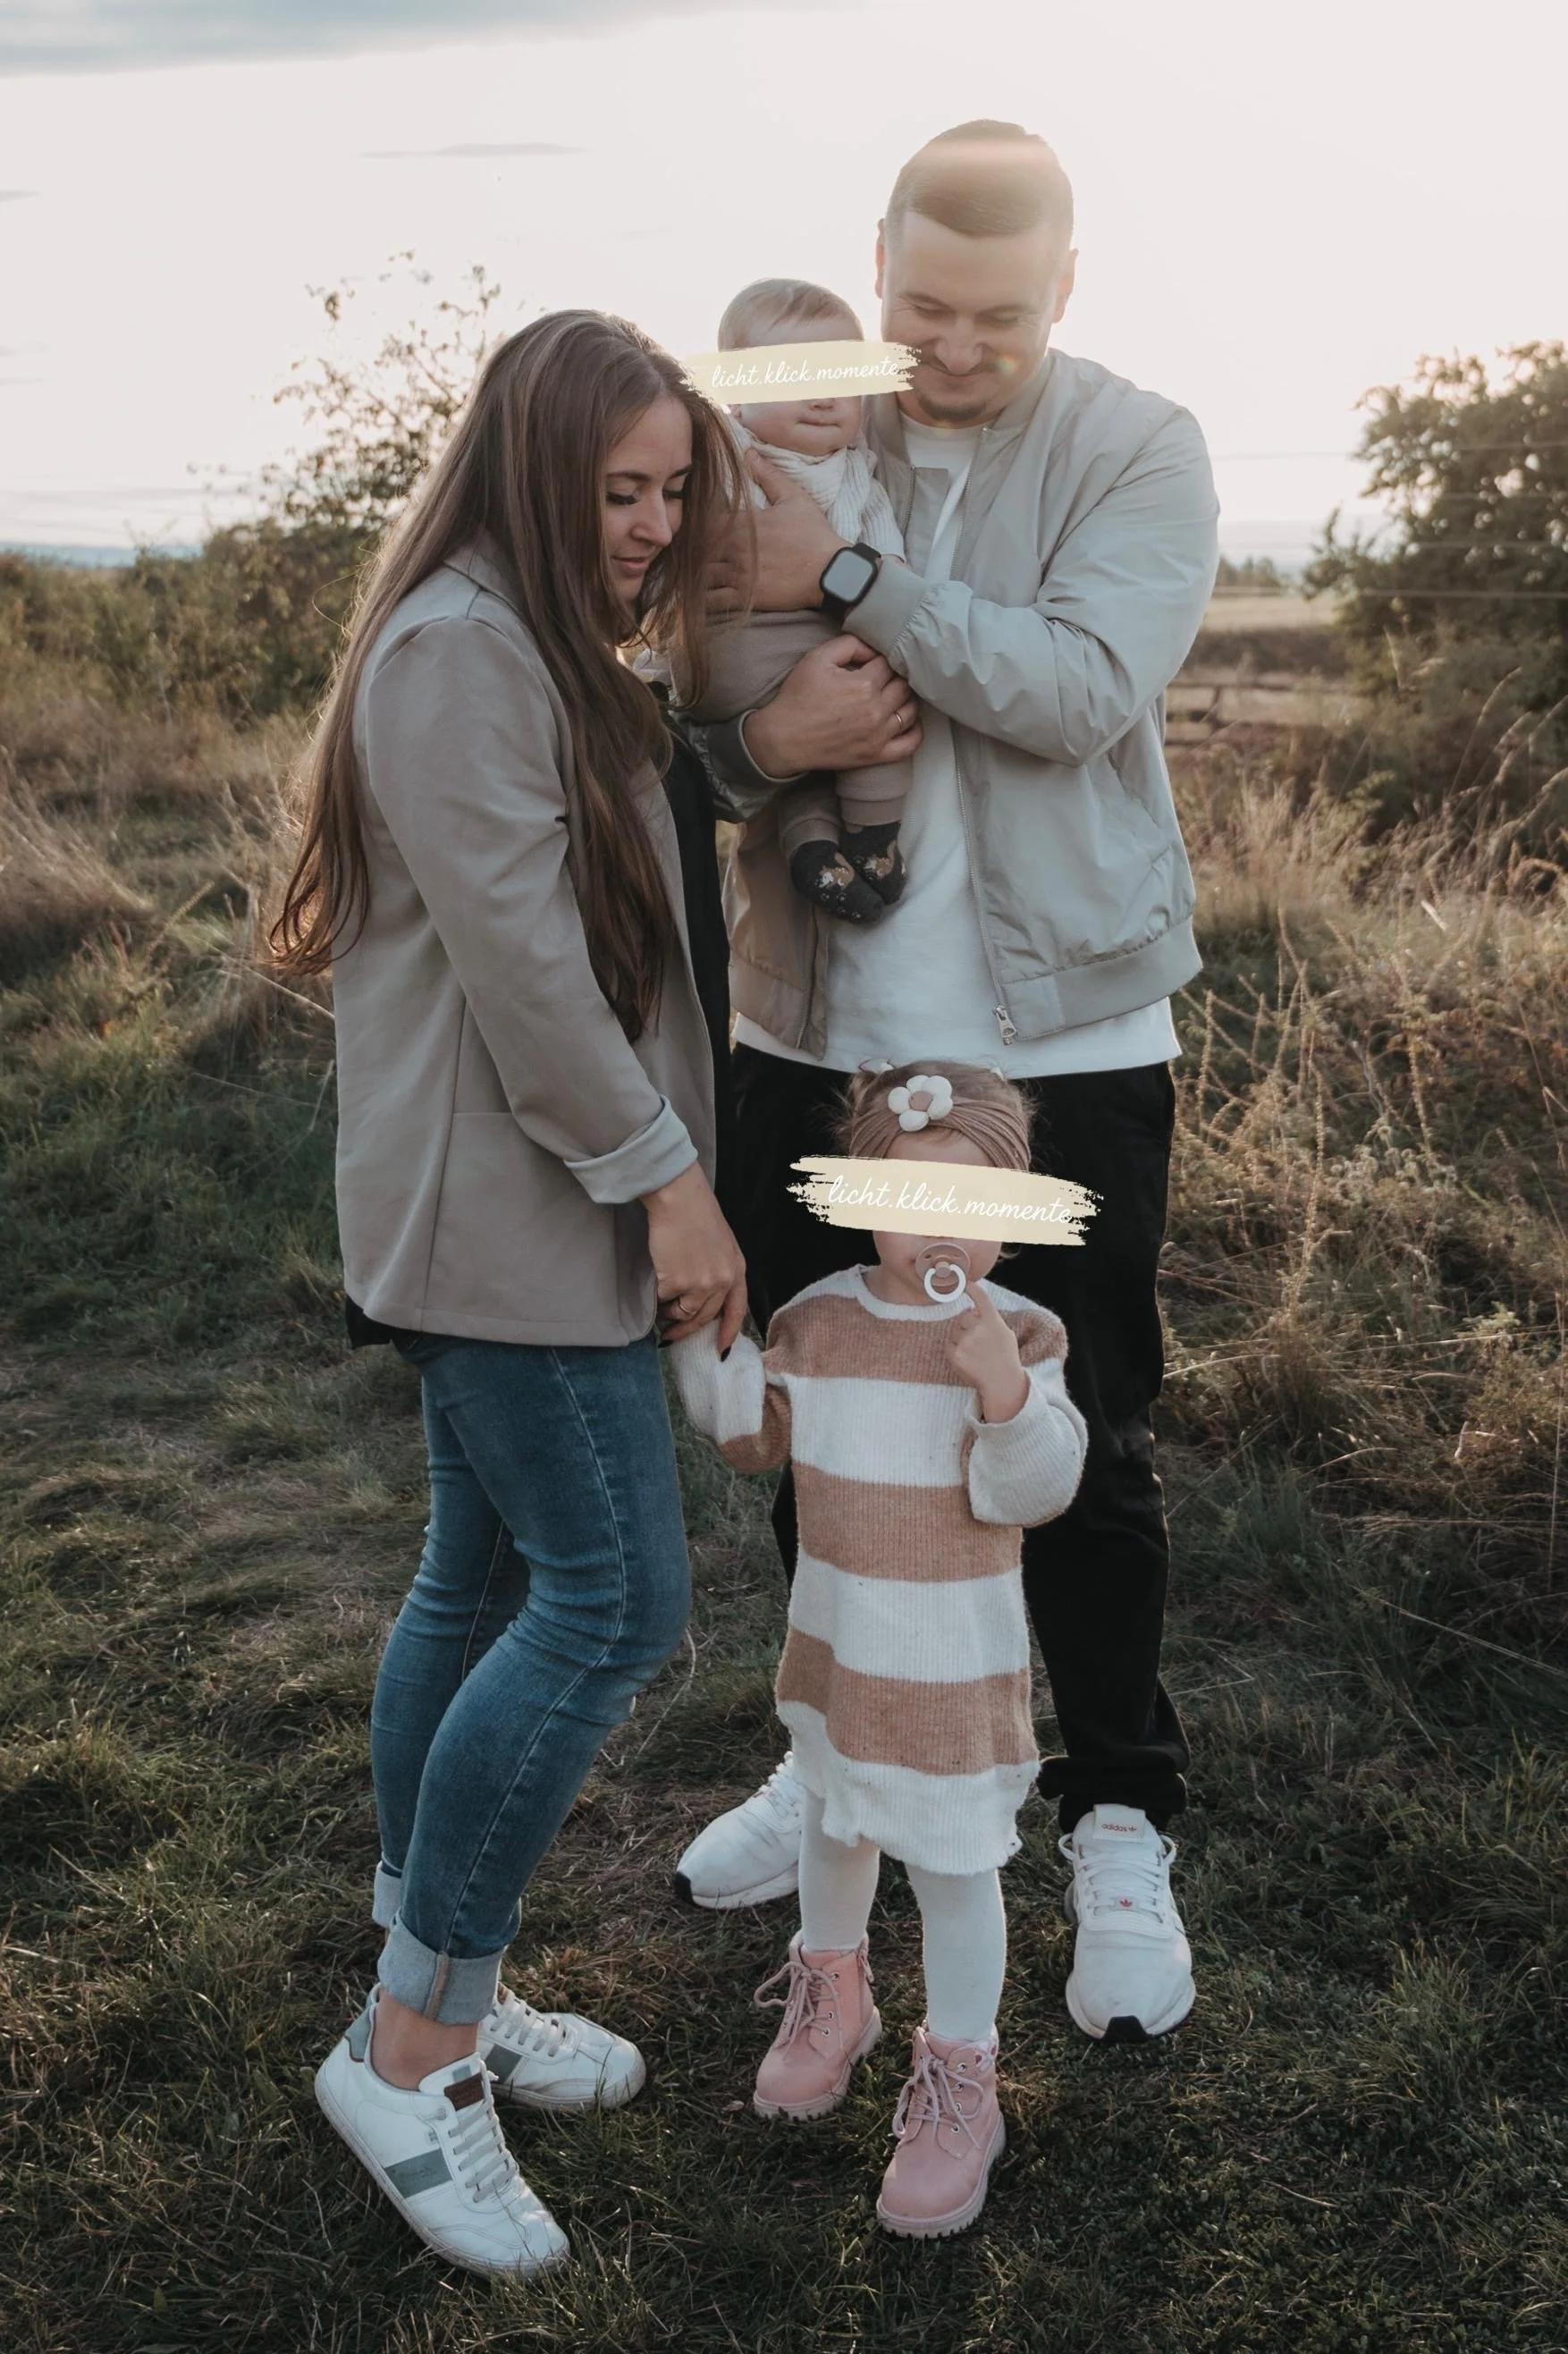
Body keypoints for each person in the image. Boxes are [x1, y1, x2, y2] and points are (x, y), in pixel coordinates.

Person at [674, 120, 1219, 2047]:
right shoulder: (779, 400)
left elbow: (1076, 690)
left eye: (997, 314)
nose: (951, 345)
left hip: (1050, 1048)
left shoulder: (1137, 445)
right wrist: (760, 734)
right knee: (821, 1398)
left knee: (1067, 1425)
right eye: (920, 305)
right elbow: (681, 699)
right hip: (807, 1031)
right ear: (873, 265)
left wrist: (841, 567)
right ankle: (830, 1757)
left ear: (1063, 293)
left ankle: (1117, 1811)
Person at [269, 309, 750, 2278]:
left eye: (664, 490)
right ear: (527, 471)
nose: (643, 524)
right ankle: (416, 2043)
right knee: (616, 1600)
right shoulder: (462, 651)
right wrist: (676, 1198)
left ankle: (432, 1960)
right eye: (612, 488)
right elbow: (530, 979)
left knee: (476, 1578)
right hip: (519, 1215)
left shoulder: (527, 636)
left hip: (505, 1204)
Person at [671, 1062, 1087, 2237]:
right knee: (834, 1819)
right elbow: (751, 1435)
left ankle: (961, 2076)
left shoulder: (1023, 1335)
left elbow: (1040, 1488)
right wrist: (706, 1345)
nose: (941, 1227)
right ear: (863, 1198)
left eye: (974, 1201)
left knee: (954, 1869)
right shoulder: (818, 1322)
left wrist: (1003, 1394)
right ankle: (831, 1991)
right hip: (842, 1655)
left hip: (952, 1679)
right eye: (914, 1197)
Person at [682, 277, 914, 924]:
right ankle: (874, 835)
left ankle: (815, 849)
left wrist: (880, 574)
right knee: (883, 694)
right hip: (744, 639)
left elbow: (882, 546)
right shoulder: (728, 451)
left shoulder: (856, 466)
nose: (821, 396)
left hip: (757, 666)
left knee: (823, 746)